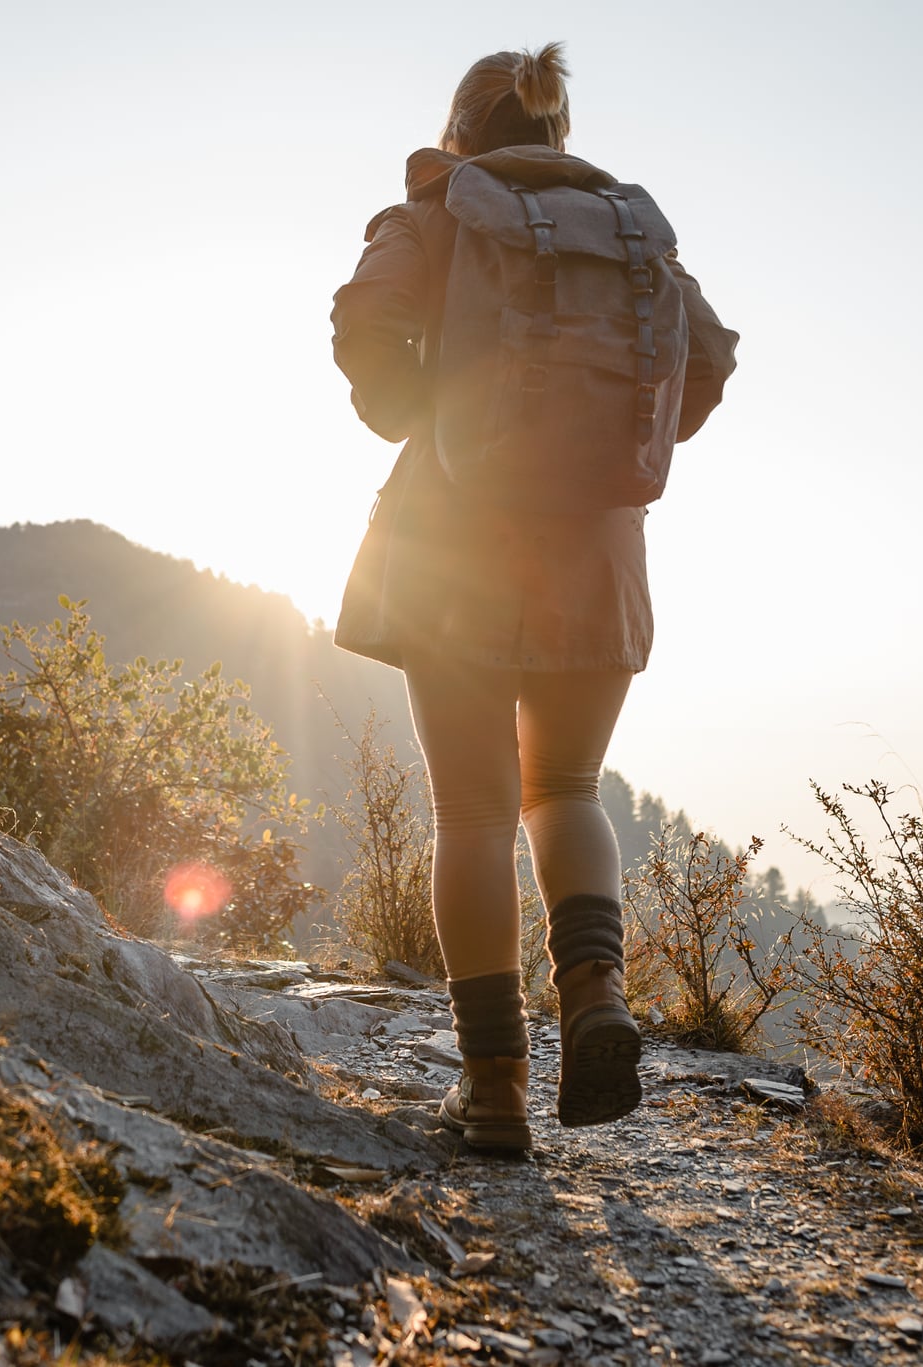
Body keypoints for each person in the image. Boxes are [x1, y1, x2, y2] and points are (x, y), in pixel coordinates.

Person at [329, 43, 738, 1151]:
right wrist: (616, 451)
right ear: (557, 134)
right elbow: (705, 359)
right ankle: (595, 993)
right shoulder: (629, 233)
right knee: (562, 785)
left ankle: (496, 1088)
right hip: (597, 545)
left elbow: (362, 322)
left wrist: (420, 419)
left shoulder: (432, 212)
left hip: (449, 536)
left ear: (460, 133)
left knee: (471, 808)